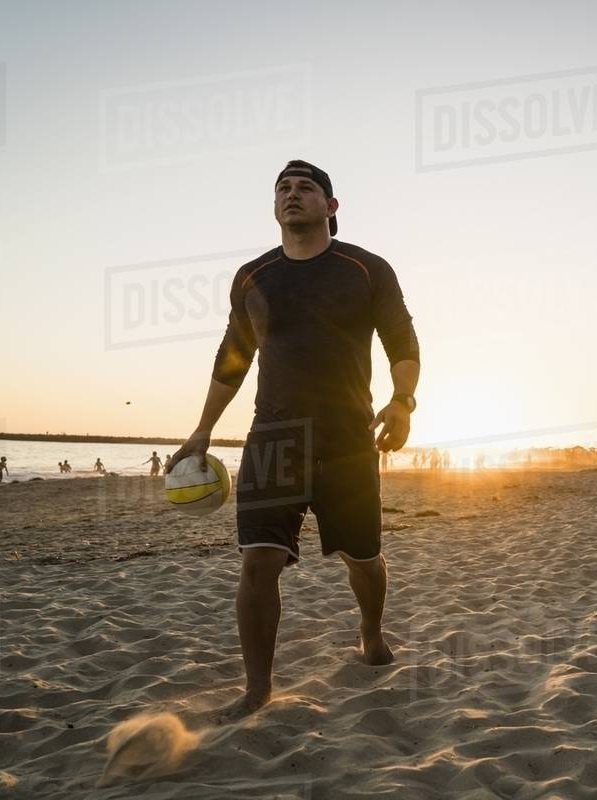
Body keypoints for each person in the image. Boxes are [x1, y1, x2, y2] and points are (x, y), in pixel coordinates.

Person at [169, 160, 420, 720]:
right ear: (274, 207)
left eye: (306, 187)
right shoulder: (253, 277)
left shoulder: (366, 268)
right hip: (273, 440)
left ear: (331, 207)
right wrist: (202, 429)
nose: (292, 194)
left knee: (363, 557)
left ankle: (370, 630)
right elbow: (232, 357)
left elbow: (401, 339)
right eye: (283, 188)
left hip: (349, 441)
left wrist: (402, 402)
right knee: (257, 562)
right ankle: (258, 687)